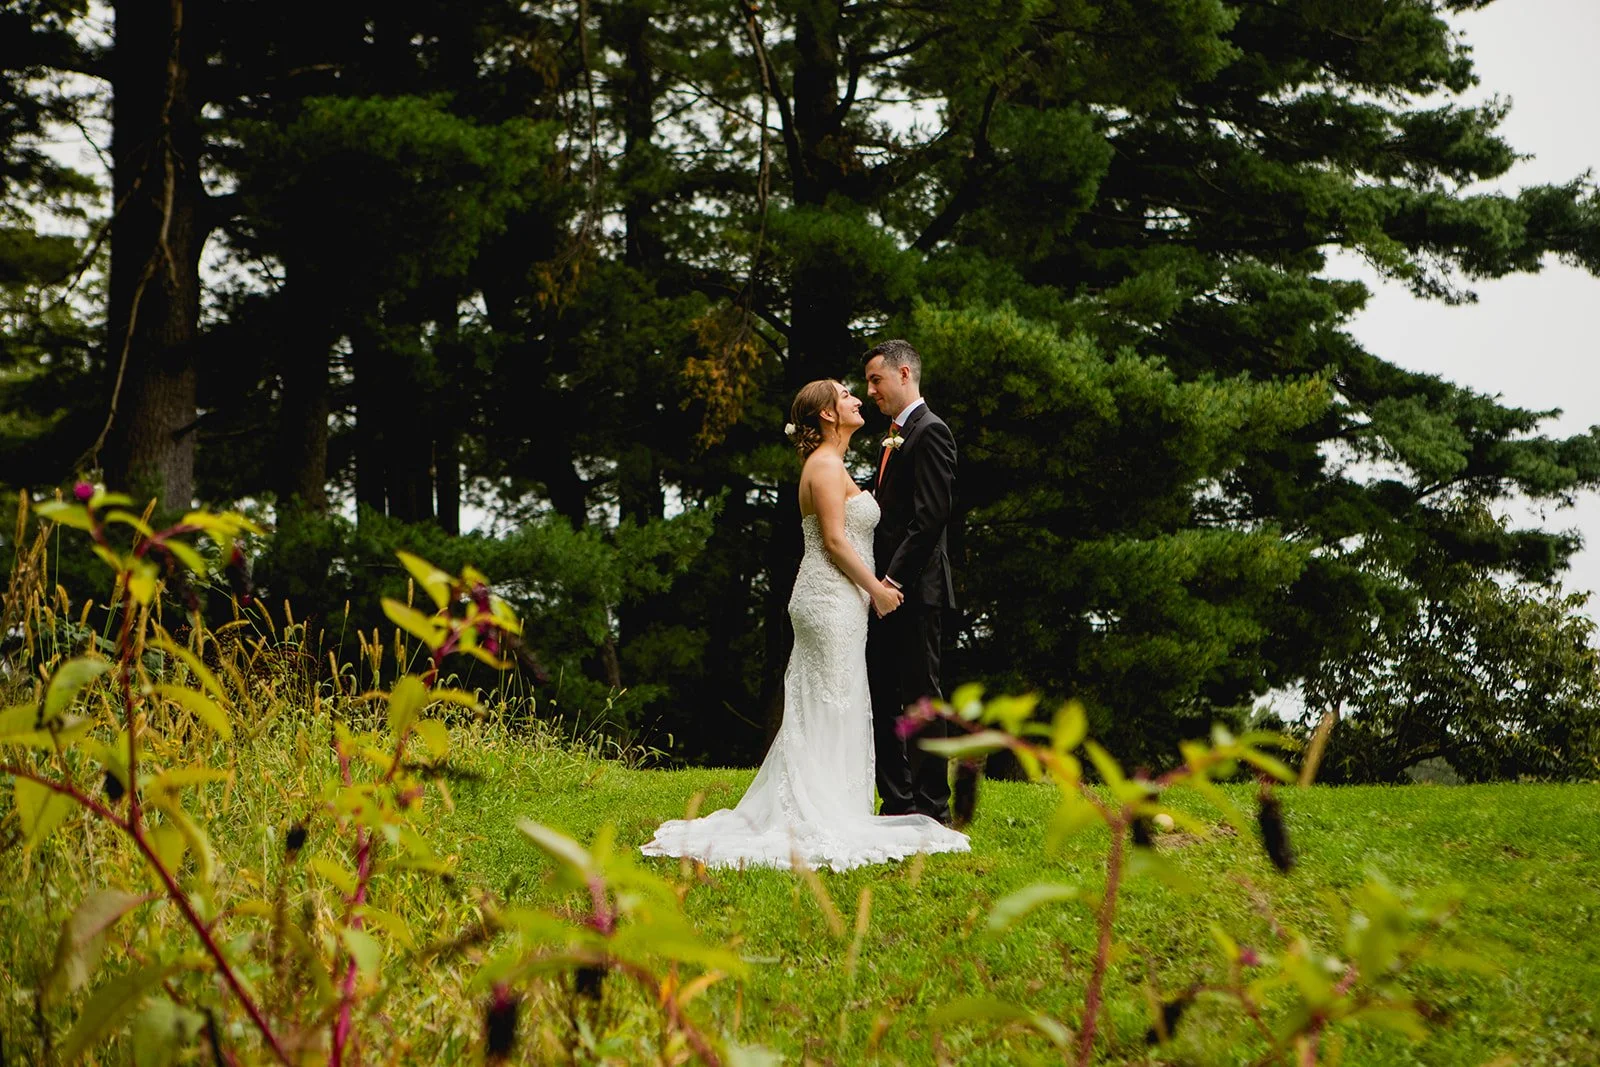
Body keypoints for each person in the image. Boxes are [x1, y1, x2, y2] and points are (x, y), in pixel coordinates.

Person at [640, 378, 970, 870]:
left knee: (839, 699)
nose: (858, 398)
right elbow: (835, 543)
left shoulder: (833, 465)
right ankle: (819, 811)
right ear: (828, 416)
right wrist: (878, 589)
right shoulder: (823, 466)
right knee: (830, 700)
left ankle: (834, 804)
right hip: (829, 600)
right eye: (846, 396)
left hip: (841, 601)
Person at [862, 339, 958, 823]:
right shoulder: (892, 436)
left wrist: (893, 581)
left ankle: (932, 806)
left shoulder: (931, 432)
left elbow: (930, 520)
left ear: (904, 375)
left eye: (876, 380)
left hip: (915, 590)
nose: (871, 391)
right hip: (883, 590)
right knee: (881, 689)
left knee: (922, 697)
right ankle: (897, 800)